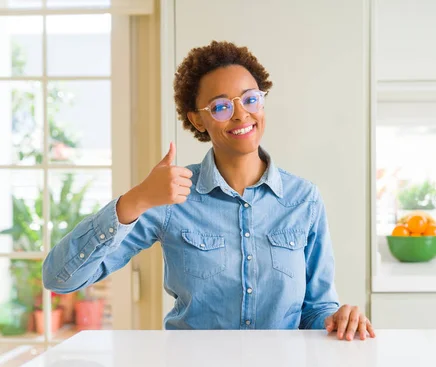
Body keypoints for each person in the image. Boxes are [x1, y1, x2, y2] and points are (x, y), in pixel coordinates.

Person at [43, 41, 375, 341]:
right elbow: (60, 278)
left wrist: (337, 319)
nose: (242, 114)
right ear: (198, 120)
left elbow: (316, 309)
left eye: (250, 99)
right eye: (220, 107)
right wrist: (137, 199)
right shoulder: (172, 197)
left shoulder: (304, 199)